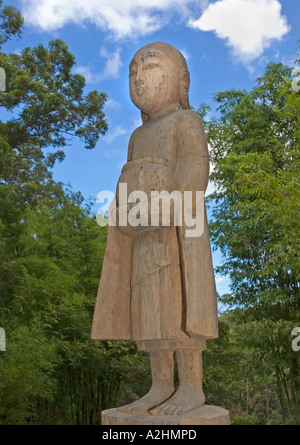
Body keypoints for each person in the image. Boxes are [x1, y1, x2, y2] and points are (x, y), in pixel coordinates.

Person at [91, 42, 218, 416]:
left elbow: (196, 166)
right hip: (141, 234)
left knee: (180, 307)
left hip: (176, 233)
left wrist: (172, 204)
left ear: (181, 80)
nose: (138, 76)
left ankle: (191, 386)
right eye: (133, 71)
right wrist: (126, 214)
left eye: (149, 67)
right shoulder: (136, 137)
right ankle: (160, 384)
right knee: (151, 313)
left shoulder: (186, 122)